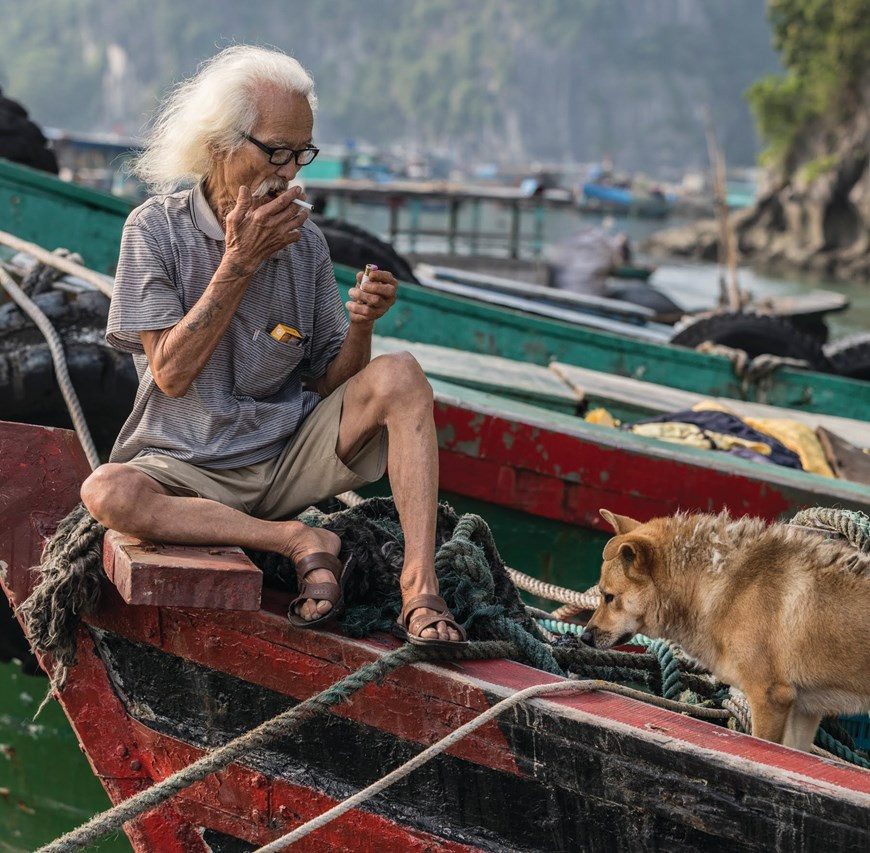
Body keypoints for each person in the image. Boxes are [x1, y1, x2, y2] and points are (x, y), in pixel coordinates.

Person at [80, 45, 465, 647]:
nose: (289, 172)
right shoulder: (154, 230)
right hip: (185, 466)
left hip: (285, 456)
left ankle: (419, 587)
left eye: (300, 155)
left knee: (402, 373)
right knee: (107, 491)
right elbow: (172, 374)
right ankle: (297, 539)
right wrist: (238, 263)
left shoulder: (305, 242)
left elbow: (330, 383)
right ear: (219, 145)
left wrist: (361, 323)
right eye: (276, 153)